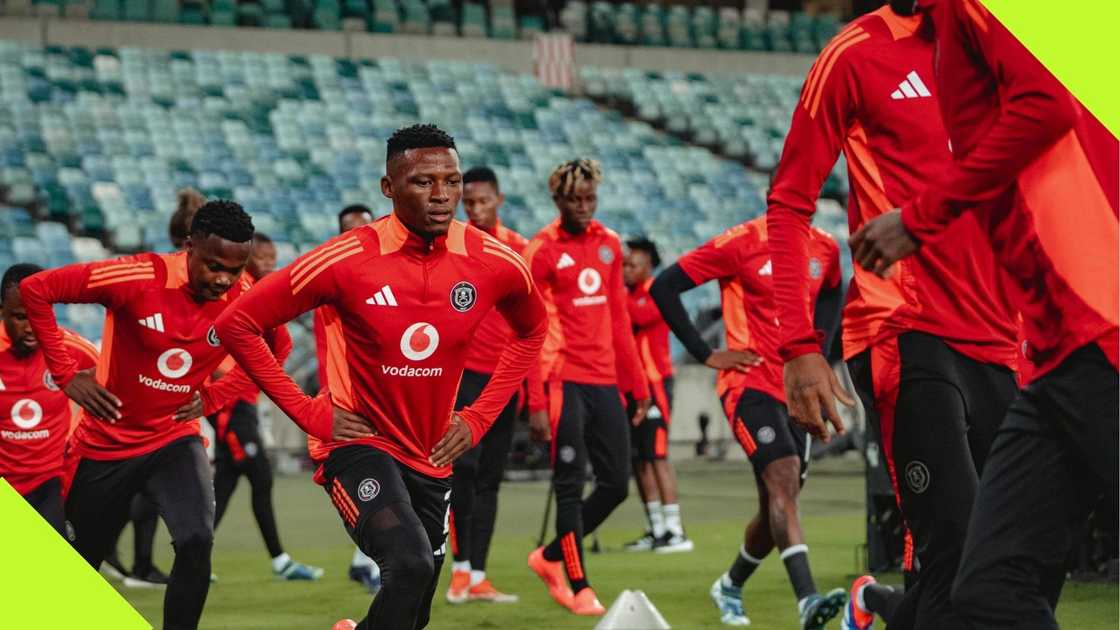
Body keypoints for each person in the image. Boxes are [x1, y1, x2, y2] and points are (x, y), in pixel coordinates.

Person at [214, 124, 547, 630]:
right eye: (423, 182)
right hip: (359, 444)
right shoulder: (347, 258)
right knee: (410, 565)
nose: (442, 196)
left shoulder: (494, 261)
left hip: (432, 454)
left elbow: (532, 332)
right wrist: (306, 411)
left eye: (451, 181)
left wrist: (477, 419)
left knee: (415, 611)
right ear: (388, 188)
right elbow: (237, 322)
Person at [849, 2, 1118, 627]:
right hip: (1055, 352)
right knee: (991, 590)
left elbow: (1048, 107)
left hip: (1099, 329)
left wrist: (919, 218)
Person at [763, 3, 1024, 629]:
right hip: (903, 327)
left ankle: (877, 605)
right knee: (959, 549)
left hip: (1005, 340)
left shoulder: (1009, 49)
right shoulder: (854, 53)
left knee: (1004, 563)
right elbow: (789, 204)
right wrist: (798, 346)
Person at [19, 200, 267, 630]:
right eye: (213, 266)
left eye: (236, 268)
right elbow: (37, 289)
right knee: (76, 566)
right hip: (104, 445)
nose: (224, 280)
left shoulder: (245, 297)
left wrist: (214, 398)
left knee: (196, 539)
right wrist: (65, 374)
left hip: (173, 439)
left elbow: (277, 347)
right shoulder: (136, 276)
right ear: (188, 246)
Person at [649, 216, 846, 629]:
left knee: (778, 503)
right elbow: (665, 286)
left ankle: (730, 585)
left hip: (797, 389)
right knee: (785, 478)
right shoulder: (740, 243)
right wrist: (706, 354)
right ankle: (808, 600)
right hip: (748, 383)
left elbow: (831, 292)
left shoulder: (824, 247)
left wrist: (820, 353)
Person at [523, 158, 651, 616]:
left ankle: (550, 555)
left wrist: (637, 385)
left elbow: (618, 318)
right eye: (574, 199)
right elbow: (529, 332)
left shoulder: (610, 244)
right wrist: (535, 400)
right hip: (562, 380)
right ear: (557, 200)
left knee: (617, 484)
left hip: (605, 382)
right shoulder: (539, 250)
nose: (583, 207)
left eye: (590, 198)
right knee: (570, 487)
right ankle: (578, 585)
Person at [208, 232, 324, 580]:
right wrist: (236, 378)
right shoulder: (235, 291)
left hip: (242, 402)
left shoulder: (259, 295)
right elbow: (213, 342)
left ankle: (196, 552)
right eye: (263, 257)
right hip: (230, 405)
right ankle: (279, 561)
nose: (270, 264)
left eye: (274, 257)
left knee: (226, 484)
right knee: (259, 476)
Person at [444, 166, 527, 605]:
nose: (475, 210)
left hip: (505, 378)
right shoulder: (452, 245)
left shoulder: (519, 249)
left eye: (483, 202)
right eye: (469, 203)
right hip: (464, 377)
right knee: (463, 470)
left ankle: (478, 574)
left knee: (492, 478)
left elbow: (532, 325)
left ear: (498, 199)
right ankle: (458, 570)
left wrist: (532, 389)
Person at [311, 204, 382, 593]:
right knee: (371, 486)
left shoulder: (384, 278)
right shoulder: (330, 280)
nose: (359, 236)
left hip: (379, 401)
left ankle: (364, 561)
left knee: (386, 485)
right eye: (351, 230)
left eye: (366, 228)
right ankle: (368, 562)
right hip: (341, 404)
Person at [0, 263, 99, 534]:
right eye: (21, 317)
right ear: (2, 312)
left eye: (39, 314)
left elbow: (113, 380)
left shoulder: (72, 348)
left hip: (50, 483)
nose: (32, 327)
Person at [620, 237, 692, 554]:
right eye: (624, 264)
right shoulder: (628, 294)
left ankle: (676, 530)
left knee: (658, 456)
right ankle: (656, 527)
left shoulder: (655, 294)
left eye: (632, 264)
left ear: (649, 266)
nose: (625, 270)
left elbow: (633, 317)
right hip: (630, 388)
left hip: (655, 385)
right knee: (639, 459)